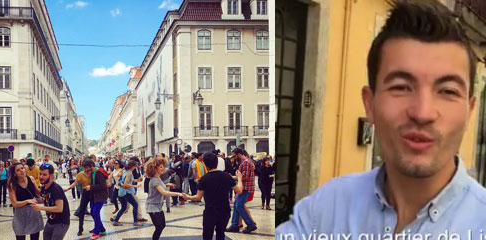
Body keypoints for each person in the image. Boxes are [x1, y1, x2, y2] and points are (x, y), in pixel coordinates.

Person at [277, 1, 486, 235]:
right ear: (370, 104)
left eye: (448, 91)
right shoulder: (326, 207)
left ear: (470, 110)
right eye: (401, 87)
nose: (423, 113)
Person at [183, 153, 243, 240]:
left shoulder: (204, 179)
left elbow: (198, 197)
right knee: (220, 234)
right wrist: (239, 179)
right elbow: (239, 190)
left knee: (207, 235)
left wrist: (188, 197)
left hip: (210, 211)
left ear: (205, 164)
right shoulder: (226, 176)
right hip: (224, 211)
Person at [144, 157, 184, 240]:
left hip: (158, 205)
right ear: (154, 168)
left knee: (162, 225)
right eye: (161, 167)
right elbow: (163, 192)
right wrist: (178, 194)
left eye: (163, 166)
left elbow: (160, 186)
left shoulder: (158, 178)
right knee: (159, 227)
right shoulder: (154, 179)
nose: (163, 169)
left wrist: (167, 184)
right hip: (152, 206)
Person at [32, 164, 70, 240]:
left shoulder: (56, 189)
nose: (41, 177)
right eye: (40, 174)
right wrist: (33, 201)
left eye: (44, 174)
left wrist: (40, 207)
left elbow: (59, 208)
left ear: (51, 175)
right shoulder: (44, 187)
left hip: (61, 222)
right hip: (51, 221)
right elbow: (45, 199)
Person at [8, 163, 44, 240]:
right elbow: (14, 204)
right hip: (20, 214)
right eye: (18, 170)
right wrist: (27, 201)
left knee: (35, 236)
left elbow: (37, 193)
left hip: (33, 211)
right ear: (14, 173)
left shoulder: (31, 179)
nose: (22, 171)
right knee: (20, 235)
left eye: (22, 168)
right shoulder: (12, 185)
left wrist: (46, 187)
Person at [227, 148, 257, 233]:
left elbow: (245, 176)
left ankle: (251, 224)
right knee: (236, 205)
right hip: (244, 187)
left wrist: (232, 177)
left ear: (239, 154)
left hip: (245, 188)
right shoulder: (246, 162)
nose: (234, 157)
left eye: (234, 155)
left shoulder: (246, 162)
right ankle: (234, 225)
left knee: (239, 205)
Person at [63, 160, 92, 236]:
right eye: (85, 167)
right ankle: (80, 229)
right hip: (85, 193)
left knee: (94, 212)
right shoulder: (80, 175)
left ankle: (96, 228)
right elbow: (75, 182)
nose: (87, 169)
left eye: (88, 167)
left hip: (93, 193)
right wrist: (68, 188)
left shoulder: (93, 173)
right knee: (81, 211)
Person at [112, 160, 143, 226]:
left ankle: (116, 221)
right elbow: (126, 184)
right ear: (132, 166)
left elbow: (128, 181)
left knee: (124, 207)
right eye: (135, 166)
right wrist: (136, 185)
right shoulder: (129, 173)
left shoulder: (125, 171)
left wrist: (137, 180)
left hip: (121, 192)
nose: (136, 167)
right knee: (135, 205)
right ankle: (135, 221)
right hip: (126, 192)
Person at [84, 159, 110, 239]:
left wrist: (90, 187)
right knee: (92, 212)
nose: (86, 169)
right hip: (95, 195)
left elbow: (102, 185)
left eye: (86, 167)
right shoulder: (92, 172)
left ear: (91, 166)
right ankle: (102, 229)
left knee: (95, 212)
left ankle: (97, 232)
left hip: (101, 195)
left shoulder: (98, 173)